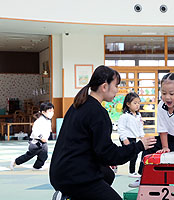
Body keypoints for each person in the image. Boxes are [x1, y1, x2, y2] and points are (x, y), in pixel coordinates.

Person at [49, 65, 156, 200]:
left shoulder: (78, 105)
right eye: (116, 86)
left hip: (59, 171)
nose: (117, 90)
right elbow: (108, 155)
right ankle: (69, 196)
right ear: (104, 87)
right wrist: (139, 146)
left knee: (108, 175)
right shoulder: (98, 112)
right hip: (75, 176)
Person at [10, 102, 54, 171]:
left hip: (44, 142)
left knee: (44, 156)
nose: (52, 113)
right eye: (50, 111)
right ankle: (15, 161)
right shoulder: (39, 121)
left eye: (52, 111)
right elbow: (35, 131)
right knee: (29, 155)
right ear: (43, 112)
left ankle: (37, 166)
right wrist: (41, 137)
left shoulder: (48, 120)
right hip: (36, 142)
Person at [118, 92, 145, 178]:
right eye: (135, 103)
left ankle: (132, 172)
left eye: (138, 103)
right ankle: (114, 164)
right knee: (125, 155)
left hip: (134, 137)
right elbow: (121, 128)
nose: (137, 105)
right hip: (126, 137)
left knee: (134, 155)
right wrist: (124, 139)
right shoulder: (124, 116)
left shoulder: (138, 115)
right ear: (128, 104)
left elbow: (140, 127)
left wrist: (142, 136)